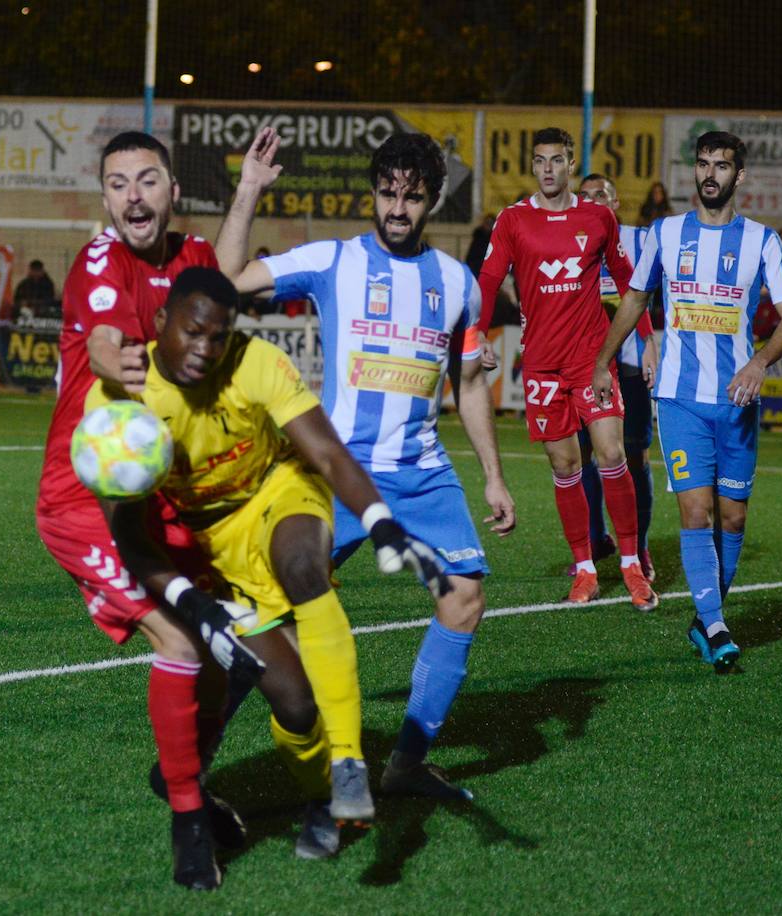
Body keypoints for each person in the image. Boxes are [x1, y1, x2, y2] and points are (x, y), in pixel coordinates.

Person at [97, 267, 452, 876]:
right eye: (192, 332)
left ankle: (347, 764)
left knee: (303, 570)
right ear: (160, 325)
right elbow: (128, 534)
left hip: (281, 491)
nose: (206, 350)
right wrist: (189, 599)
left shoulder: (255, 362)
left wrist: (380, 522)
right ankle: (320, 792)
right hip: (210, 549)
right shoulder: (123, 403)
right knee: (292, 702)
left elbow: (325, 451)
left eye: (220, 336)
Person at [34, 129, 288, 889]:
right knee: (182, 636)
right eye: (119, 184)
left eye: (148, 180)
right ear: (106, 198)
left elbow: (228, 277)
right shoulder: (98, 263)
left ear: (172, 191)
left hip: (164, 498)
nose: (134, 195)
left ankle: (184, 770)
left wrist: (247, 192)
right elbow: (110, 346)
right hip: (88, 501)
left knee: (254, 630)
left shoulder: (192, 256)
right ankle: (188, 822)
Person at [234, 133, 517, 801]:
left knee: (464, 597)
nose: (397, 208)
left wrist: (493, 475)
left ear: (432, 199)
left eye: (412, 196)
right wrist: (248, 192)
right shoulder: (332, 261)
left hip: (420, 471)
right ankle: (207, 759)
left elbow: (470, 383)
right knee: (272, 612)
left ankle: (409, 763)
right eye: (387, 193)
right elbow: (231, 282)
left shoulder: (459, 285)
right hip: (334, 469)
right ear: (373, 192)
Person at [592, 130, 782, 672]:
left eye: (723, 166)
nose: (711, 174)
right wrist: (601, 362)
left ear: (740, 175)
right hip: (681, 397)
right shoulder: (665, 234)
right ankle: (714, 624)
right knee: (695, 510)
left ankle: (707, 617)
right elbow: (635, 297)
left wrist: (758, 363)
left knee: (732, 520)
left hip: (735, 401)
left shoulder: (761, 240)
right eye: (704, 164)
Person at [475, 127, 657, 609]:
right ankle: (584, 569)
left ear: (570, 163)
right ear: (533, 166)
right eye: (540, 161)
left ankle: (631, 562)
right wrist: (477, 333)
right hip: (541, 363)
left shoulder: (597, 217)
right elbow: (489, 278)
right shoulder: (513, 220)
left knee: (612, 452)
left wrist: (649, 340)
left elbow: (628, 281)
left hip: (591, 360)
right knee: (564, 465)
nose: (548, 169)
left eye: (557, 160)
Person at [577, 172, 658, 583]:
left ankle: (639, 544)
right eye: (584, 195)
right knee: (581, 455)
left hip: (625, 366)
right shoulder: (566, 236)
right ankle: (595, 538)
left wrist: (650, 344)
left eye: (600, 195)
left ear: (615, 202)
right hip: (578, 368)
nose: (592, 201)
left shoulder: (640, 239)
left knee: (634, 453)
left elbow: (641, 294)